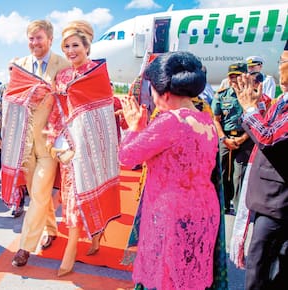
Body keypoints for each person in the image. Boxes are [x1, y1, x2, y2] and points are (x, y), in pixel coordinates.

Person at [119, 51, 220, 289]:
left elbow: (127, 157)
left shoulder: (170, 122)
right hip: (205, 210)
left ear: (163, 92)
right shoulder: (205, 120)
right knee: (190, 276)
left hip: (172, 215)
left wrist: (135, 127)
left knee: (167, 278)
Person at [46, 20, 121, 277]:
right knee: (72, 197)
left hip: (94, 147)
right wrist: (51, 136)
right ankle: (72, 247)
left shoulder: (98, 73)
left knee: (90, 191)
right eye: (66, 46)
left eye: (75, 45)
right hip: (70, 146)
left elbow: (104, 111)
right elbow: (58, 109)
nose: (70, 50)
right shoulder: (63, 76)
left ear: (87, 46)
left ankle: (97, 233)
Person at [3, 20, 69, 267]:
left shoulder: (62, 65)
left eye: (39, 38)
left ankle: (25, 247)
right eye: (30, 38)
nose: (34, 43)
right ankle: (51, 229)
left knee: (40, 195)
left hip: (50, 143)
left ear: (50, 39)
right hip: (24, 145)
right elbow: (10, 99)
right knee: (36, 194)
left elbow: (69, 101)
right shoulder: (19, 65)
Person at [233, 41, 288, 290]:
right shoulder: (280, 100)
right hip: (270, 200)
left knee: (260, 269)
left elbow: (269, 138)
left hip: (277, 203)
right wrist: (256, 102)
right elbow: (267, 123)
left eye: (282, 61)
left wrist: (249, 108)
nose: (279, 67)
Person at [211, 62, 254, 214]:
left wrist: (242, 139)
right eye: (231, 76)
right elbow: (216, 119)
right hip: (225, 139)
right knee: (222, 173)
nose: (234, 79)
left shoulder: (253, 95)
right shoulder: (222, 95)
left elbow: (257, 120)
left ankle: (239, 208)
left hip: (245, 140)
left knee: (239, 175)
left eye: (238, 76)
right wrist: (224, 139)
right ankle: (222, 204)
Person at [0, 57, 26, 218]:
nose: (13, 71)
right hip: (7, 135)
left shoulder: (28, 86)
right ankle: (15, 201)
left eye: (16, 68)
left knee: (21, 171)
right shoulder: (3, 87)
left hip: (24, 136)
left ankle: (19, 200)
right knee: (8, 170)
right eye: (10, 68)